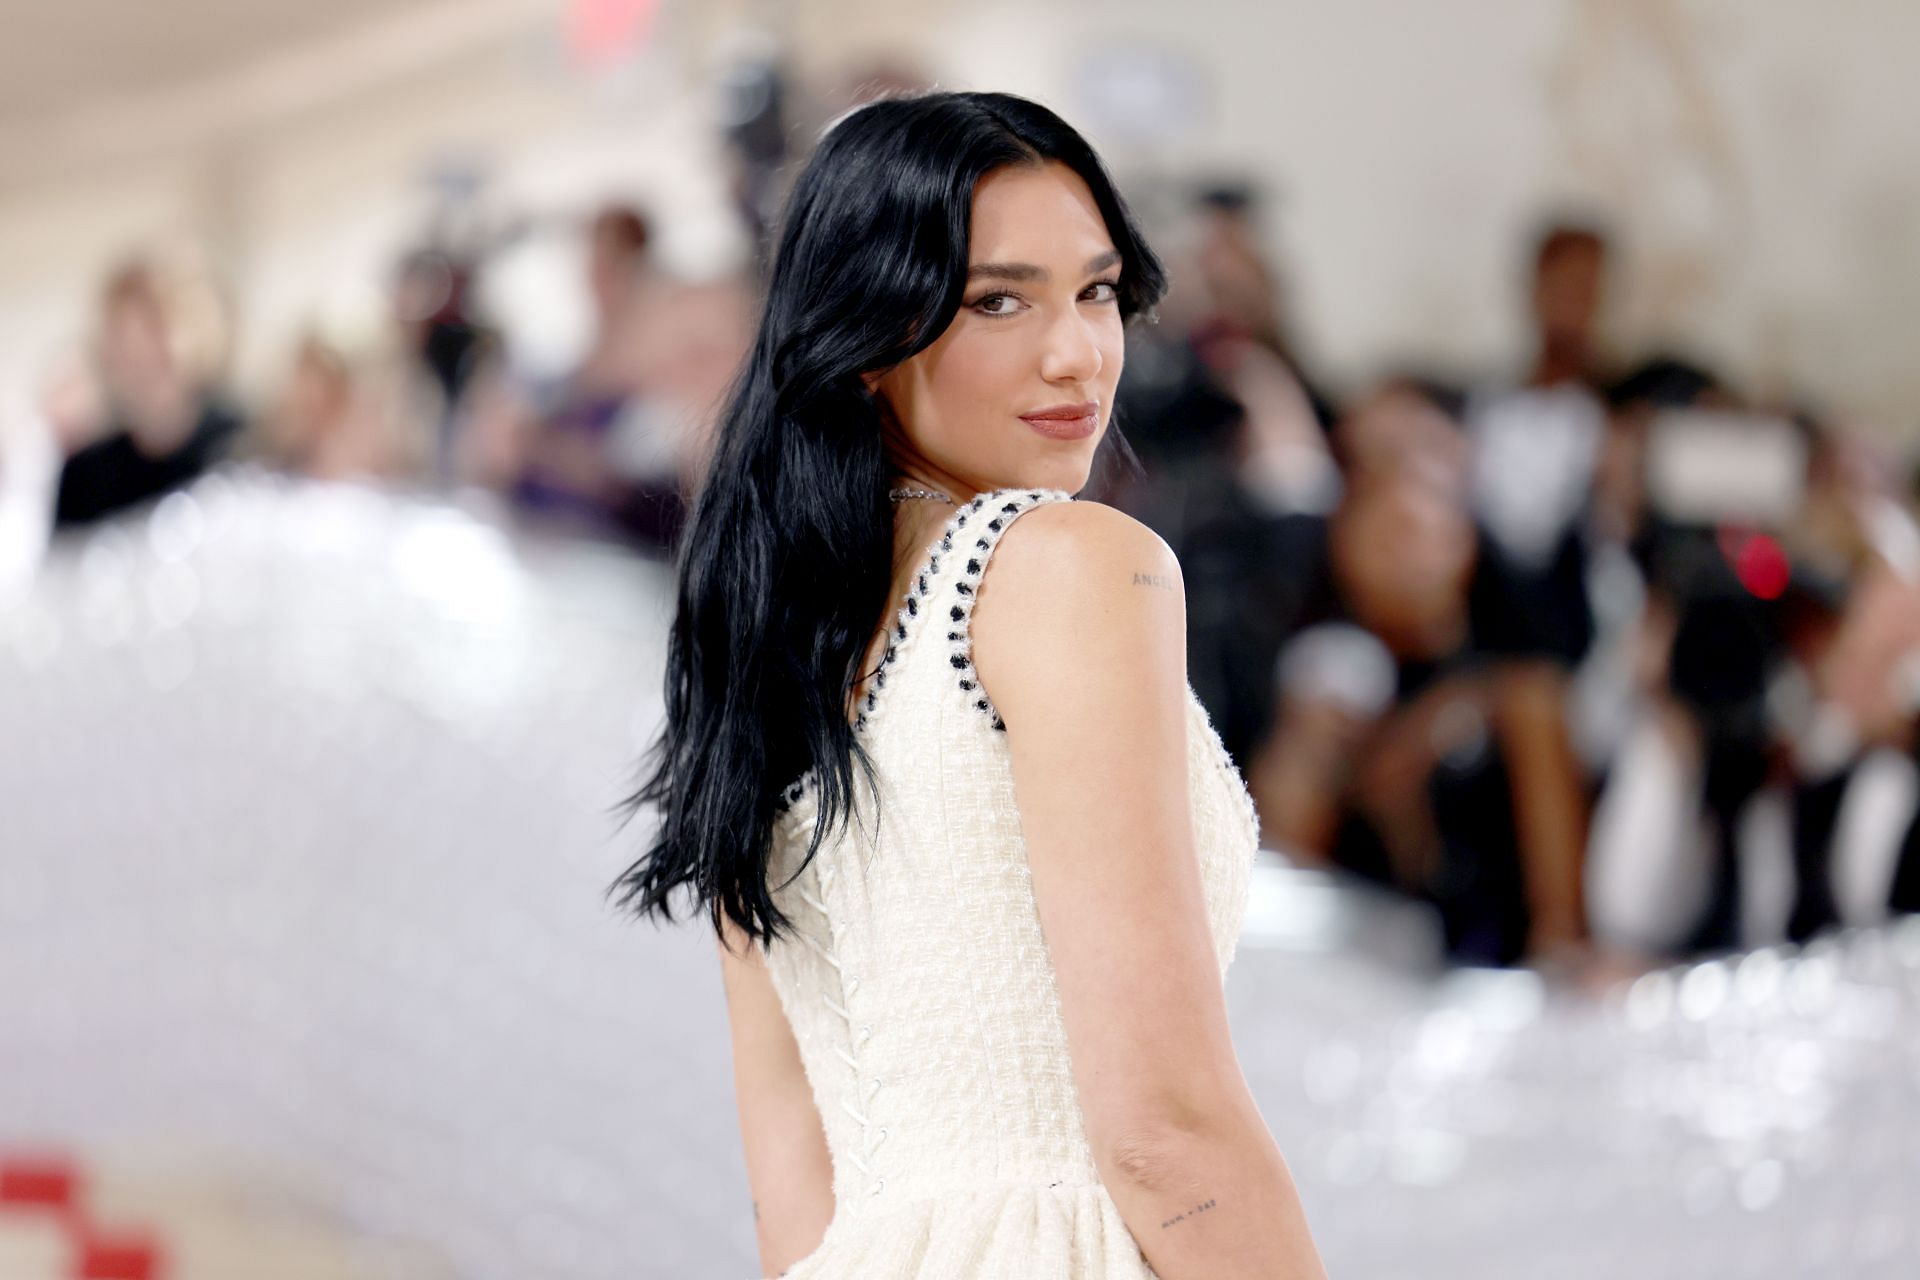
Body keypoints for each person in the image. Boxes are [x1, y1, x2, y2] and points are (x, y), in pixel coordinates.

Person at [608, 92, 1327, 1280]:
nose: (1076, 351)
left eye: (1096, 290)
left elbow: (792, 1199)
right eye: (999, 299)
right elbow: (1162, 1130)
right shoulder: (1070, 565)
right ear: (870, 338)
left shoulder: (765, 659)